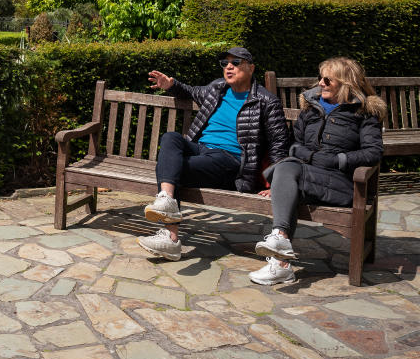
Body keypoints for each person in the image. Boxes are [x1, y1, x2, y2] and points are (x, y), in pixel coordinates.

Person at [138, 47, 290, 261]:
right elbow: (191, 91)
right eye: (225, 63)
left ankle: (170, 238)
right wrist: (171, 85)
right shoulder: (217, 88)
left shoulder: (266, 101)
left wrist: (276, 183)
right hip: (201, 148)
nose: (229, 67)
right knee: (171, 138)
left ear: (251, 67)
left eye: (236, 62)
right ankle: (166, 199)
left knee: (171, 169)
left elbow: (278, 144)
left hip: (230, 160)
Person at [250, 57, 385, 285]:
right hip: (308, 178)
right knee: (286, 173)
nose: (320, 83)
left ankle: (280, 255)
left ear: (345, 83)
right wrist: (291, 176)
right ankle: (281, 259)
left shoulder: (364, 113)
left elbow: (373, 153)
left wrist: (338, 159)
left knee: (286, 170)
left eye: (327, 80)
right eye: (320, 78)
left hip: (343, 185)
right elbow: (293, 145)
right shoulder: (311, 108)